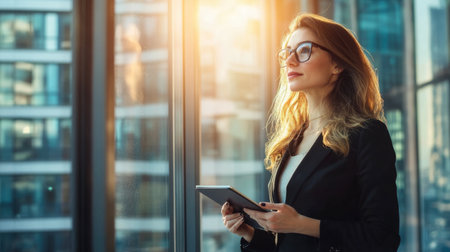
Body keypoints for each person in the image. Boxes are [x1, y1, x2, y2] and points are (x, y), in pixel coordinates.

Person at [220, 13, 400, 252]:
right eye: (287, 52)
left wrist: (302, 224)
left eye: (304, 50)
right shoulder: (293, 138)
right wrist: (250, 233)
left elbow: (382, 238)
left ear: (337, 64)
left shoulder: (367, 134)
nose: (290, 61)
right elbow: (290, 242)